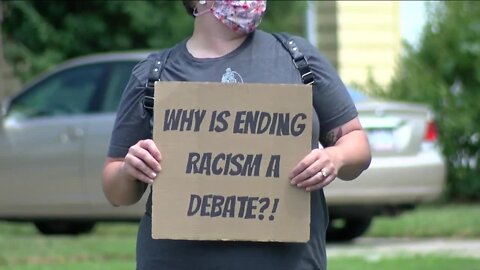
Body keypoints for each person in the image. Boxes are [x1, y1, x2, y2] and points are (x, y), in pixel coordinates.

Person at [102, 1, 371, 269]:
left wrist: (336, 157)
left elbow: (355, 142)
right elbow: (116, 192)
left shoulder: (298, 58)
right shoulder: (153, 75)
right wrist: (129, 169)